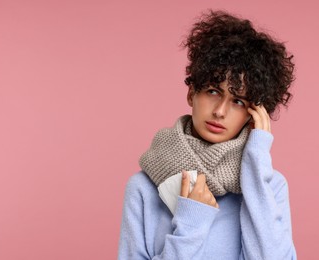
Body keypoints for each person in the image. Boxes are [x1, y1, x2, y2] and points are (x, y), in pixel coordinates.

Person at [118, 9, 296, 259]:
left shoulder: (269, 186)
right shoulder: (143, 188)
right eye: (213, 91)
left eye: (239, 101)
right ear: (192, 93)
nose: (220, 111)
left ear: (254, 113)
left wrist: (256, 160)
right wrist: (191, 222)